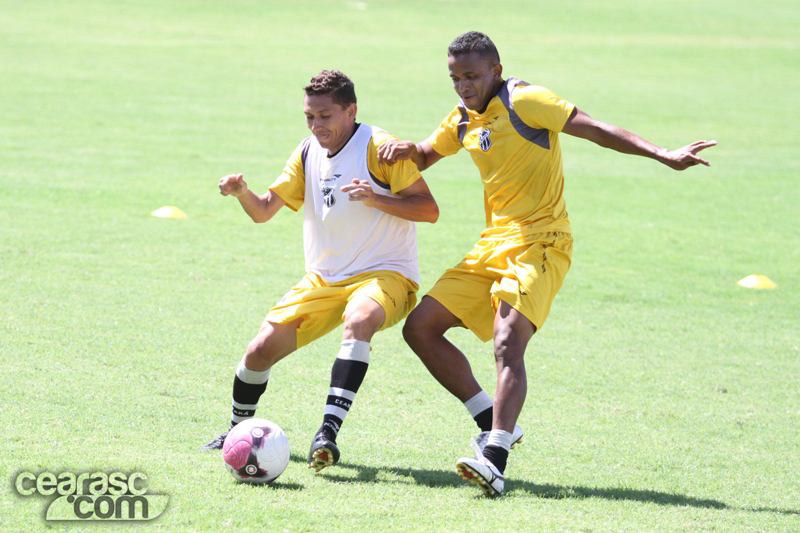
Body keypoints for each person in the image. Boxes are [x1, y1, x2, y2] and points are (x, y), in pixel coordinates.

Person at [378, 31, 715, 496]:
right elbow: (425, 154)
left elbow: (594, 128)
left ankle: (494, 459)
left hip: (543, 240)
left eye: (471, 76)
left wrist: (662, 153)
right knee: (421, 328)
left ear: (496, 70)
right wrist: (403, 151)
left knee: (507, 342)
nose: (463, 85)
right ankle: (491, 420)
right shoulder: (462, 118)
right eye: (455, 78)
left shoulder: (527, 101)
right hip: (493, 244)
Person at [202, 70, 439, 474]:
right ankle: (237, 432)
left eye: (325, 116)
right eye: (310, 117)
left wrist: (376, 199)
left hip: (385, 274)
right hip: (324, 277)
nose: (316, 126)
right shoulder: (307, 151)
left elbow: (429, 210)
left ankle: (327, 432)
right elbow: (263, 211)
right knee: (259, 351)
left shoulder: (380, 148)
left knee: (359, 319)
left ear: (351, 111)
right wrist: (242, 193)